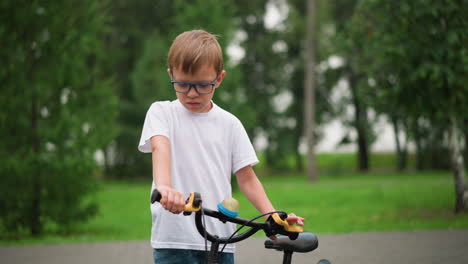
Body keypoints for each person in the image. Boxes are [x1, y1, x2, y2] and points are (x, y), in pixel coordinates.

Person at [138, 29, 304, 264]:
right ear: (171, 74)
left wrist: (273, 215)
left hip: (221, 239)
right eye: (182, 84)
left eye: (202, 85)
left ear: (219, 78)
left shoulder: (230, 124)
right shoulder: (162, 112)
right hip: (174, 240)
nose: (192, 94)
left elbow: (247, 178)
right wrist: (165, 189)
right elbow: (160, 148)